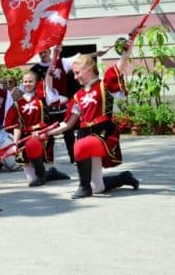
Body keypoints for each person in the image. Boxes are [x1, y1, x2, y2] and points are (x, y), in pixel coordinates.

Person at [42, 46, 139, 199]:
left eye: (77, 72)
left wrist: (129, 44)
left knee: (80, 145)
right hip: (85, 133)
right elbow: (67, 124)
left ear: (88, 69)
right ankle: (123, 178)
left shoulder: (104, 85)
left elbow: (120, 65)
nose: (75, 77)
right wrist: (45, 133)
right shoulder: (77, 96)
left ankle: (84, 186)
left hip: (103, 132)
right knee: (98, 188)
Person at [13, 46, 108, 163]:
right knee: (47, 136)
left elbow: (81, 59)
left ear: (49, 51)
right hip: (48, 109)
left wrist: (97, 53)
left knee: (69, 134)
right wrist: (11, 98)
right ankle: (48, 161)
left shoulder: (62, 62)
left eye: (45, 51)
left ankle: (75, 158)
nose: (43, 54)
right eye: (40, 52)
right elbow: (23, 87)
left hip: (63, 106)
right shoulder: (35, 70)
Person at [5, 71, 70, 187]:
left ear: (36, 83)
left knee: (33, 145)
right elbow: (17, 126)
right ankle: (50, 173)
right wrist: (15, 143)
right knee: (31, 181)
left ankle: (41, 176)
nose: (27, 84)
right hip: (26, 136)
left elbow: (49, 77)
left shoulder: (43, 98)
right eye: (25, 81)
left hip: (42, 134)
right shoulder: (17, 104)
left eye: (30, 81)